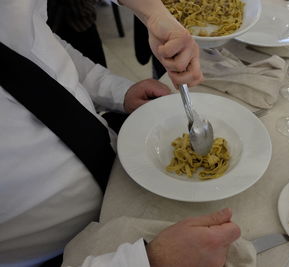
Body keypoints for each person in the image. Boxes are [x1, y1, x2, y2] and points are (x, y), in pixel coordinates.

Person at [0, 0, 238, 266]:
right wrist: (150, 261)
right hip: (64, 255)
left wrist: (116, 89)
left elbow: (36, 46)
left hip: (121, 171)